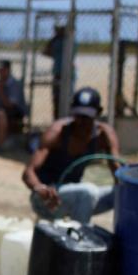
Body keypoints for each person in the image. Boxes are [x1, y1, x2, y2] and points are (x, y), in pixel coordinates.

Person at [23, 87, 121, 224]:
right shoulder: (57, 132)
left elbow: (118, 171)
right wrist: (40, 188)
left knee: (122, 193)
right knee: (88, 191)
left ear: (98, 113)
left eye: (86, 117)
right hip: (48, 200)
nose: (81, 122)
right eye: (78, 116)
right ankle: (78, 239)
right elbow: (28, 172)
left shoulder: (103, 135)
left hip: (78, 197)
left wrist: (128, 185)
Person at [43, 24, 75, 120]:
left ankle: (66, 119)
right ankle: (58, 120)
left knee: (67, 99)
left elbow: (47, 49)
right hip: (58, 74)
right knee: (57, 100)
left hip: (68, 75)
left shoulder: (68, 42)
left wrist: (56, 36)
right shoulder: (58, 42)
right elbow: (46, 51)